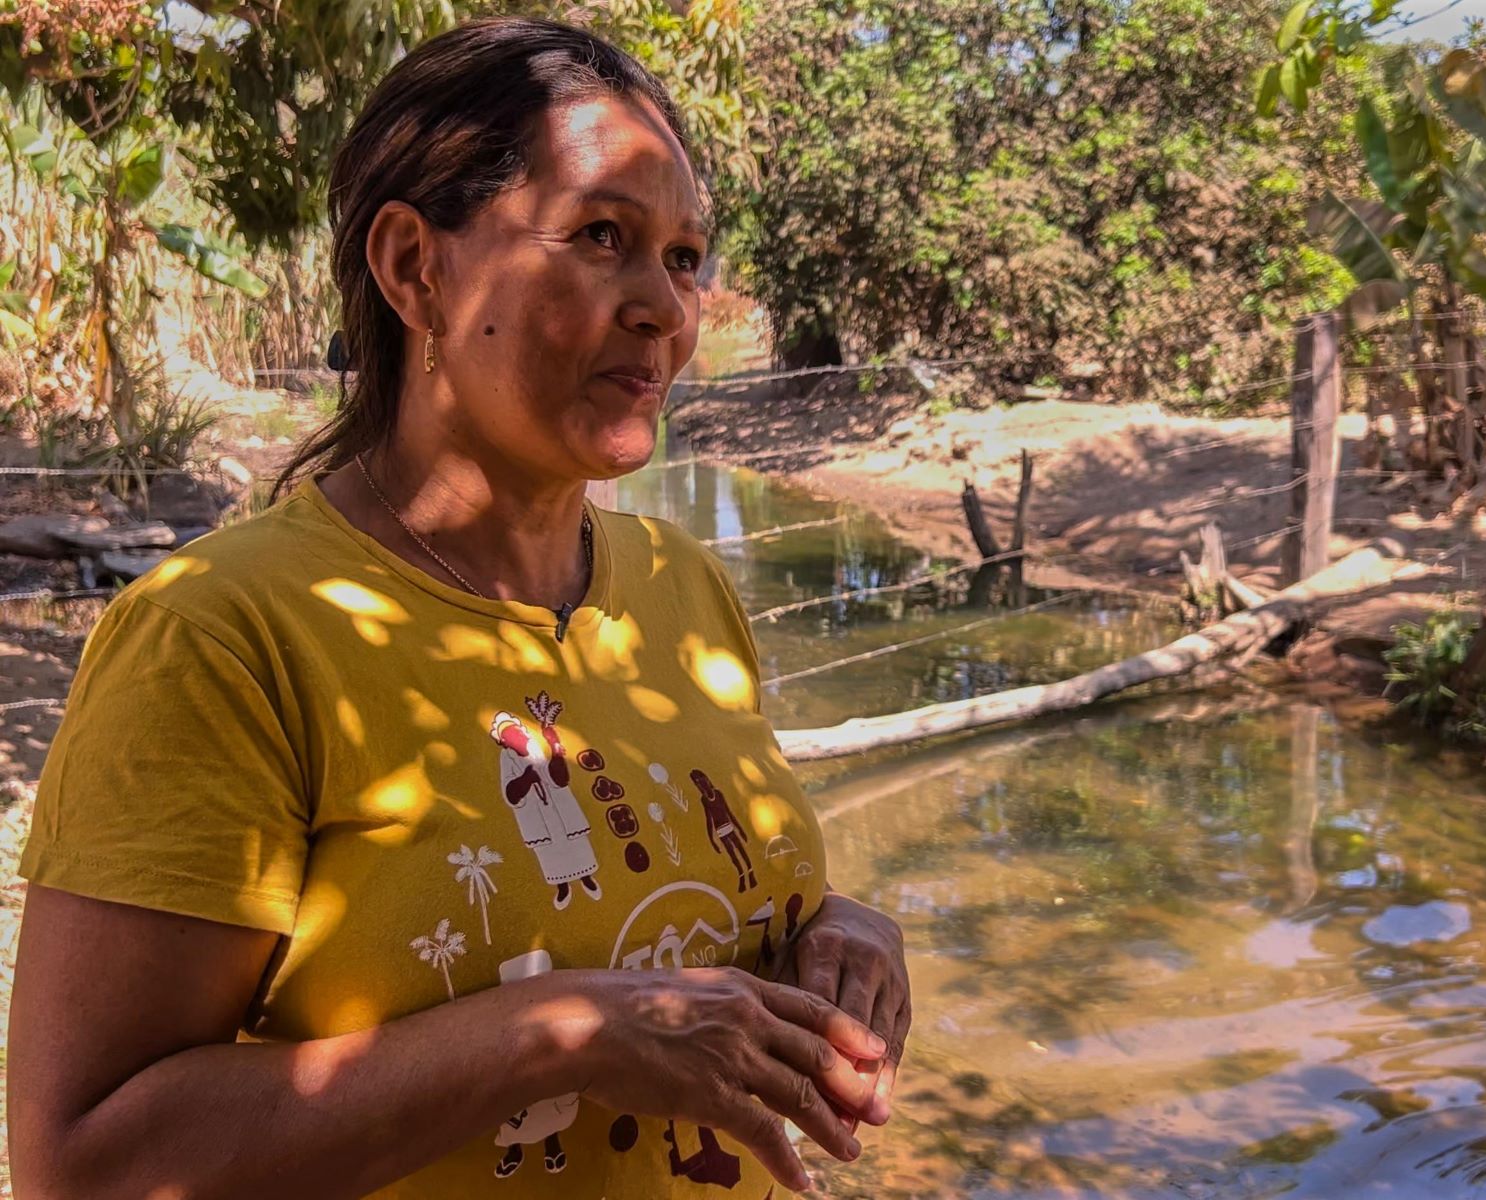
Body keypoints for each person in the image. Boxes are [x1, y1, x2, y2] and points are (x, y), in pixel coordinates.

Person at [8, 19, 910, 1200]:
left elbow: (673, 921)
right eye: (603, 237)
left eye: (685, 258)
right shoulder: (227, 639)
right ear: (414, 269)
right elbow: (83, 1163)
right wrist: (563, 1031)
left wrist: (842, 932)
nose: (664, 308)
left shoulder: (684, 589)